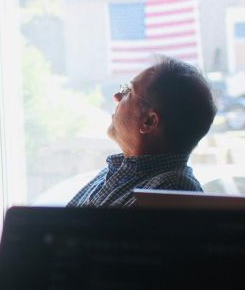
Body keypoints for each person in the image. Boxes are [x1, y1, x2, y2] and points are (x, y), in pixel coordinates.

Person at [67, 56, 217, 207]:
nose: (117, 96)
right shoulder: (113, 174)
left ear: (149, 122)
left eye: (129, 92)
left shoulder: (172, 189)